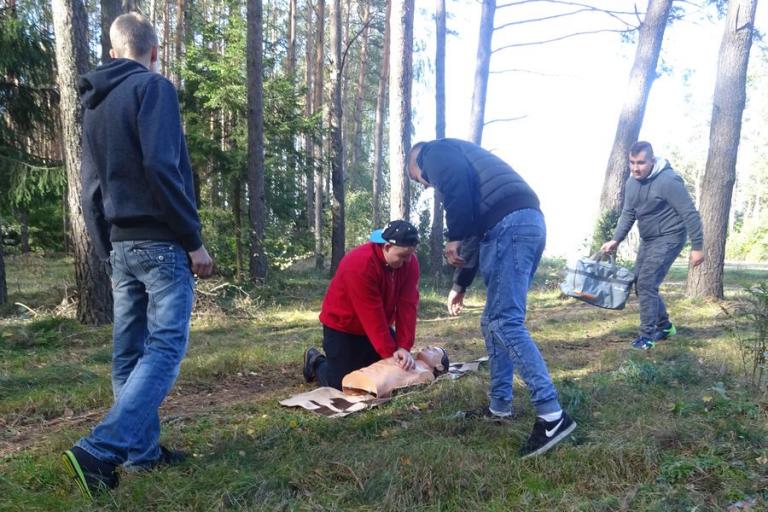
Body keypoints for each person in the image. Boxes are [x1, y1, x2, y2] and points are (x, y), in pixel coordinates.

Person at [61, 12, 214, 498]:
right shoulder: (154, 88)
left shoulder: (95, 103)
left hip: (122, 244)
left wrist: (107, 247)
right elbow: (161, 165)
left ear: (112, 51)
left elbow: (90, 188)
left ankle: (143, 454)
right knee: (165, 348)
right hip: (161, 241)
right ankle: (101, 449)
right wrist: (192, 238)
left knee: (128, 353)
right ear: (154, 49)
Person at [407, 138, 575, 459]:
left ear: (417, 159)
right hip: (520, 225)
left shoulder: (434, 152)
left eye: (419, 178)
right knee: (492, 321)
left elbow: (457, 192)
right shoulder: (463, 161)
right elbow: (474, 222)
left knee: (504, 321)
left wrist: (452, 236)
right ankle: (500, 407)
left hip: (510, 227)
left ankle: (552, 415)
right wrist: (461, 284)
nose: (426, 184)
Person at [601, 141, 704, 350]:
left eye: (641, 163)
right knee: (640, 283)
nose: (636, 168)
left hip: (670, 236)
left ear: (652, 160)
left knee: (647, 283)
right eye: (632, 162)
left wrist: (698, 246)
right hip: (649, 238)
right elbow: (628, 213)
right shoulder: (632, 182)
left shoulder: (668, 181)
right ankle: (665, 326)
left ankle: (646, 337)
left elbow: (689, 213)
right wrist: (616, 239)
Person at [303, 220, 420, 390]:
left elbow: (408, 305)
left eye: (411, 255)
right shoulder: (360, 264)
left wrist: (404, 346)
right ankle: (315, 362)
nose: (407, 261)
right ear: (386, 247)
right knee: (341, 384)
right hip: (343, 326)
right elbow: (370, 312)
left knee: (395, 370)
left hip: (377, 326)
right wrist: (388, 353)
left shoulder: (410, 262)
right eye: (402, 256)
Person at [342, 346, 450, 398]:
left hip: (367, 387)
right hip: (357, 378)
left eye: (434, 350)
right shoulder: (409, 359)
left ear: (439, 366)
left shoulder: (426, 374)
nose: (428, 347)